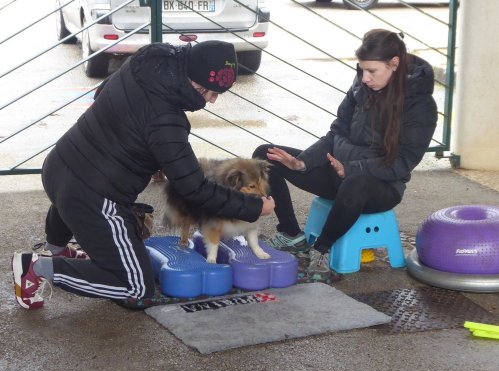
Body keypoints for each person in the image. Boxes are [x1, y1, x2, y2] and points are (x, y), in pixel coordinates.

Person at [12, 40, 275, 310]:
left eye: (218, 93)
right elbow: (193, 188)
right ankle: (36, 268)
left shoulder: (149, 60)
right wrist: (254, 206)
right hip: (93, 196)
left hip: (59, 164)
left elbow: (102, 93)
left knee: (71, 194)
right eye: (205, 90)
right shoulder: (166, 119)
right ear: (189, 77)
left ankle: (55, 250)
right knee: (136, 287)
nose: (211, 99)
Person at [253, 29, 437, 279]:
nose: (364, 78)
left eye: (372, 71)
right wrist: (301, 162)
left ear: (394, 64)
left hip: (379, 186)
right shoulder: (360, 89)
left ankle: (321, 252)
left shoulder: (420, 106)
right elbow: (335, 134)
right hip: (337, 171)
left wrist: (350, 169)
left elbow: (402, 164)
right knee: (266, 155)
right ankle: (291, 234)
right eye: (361, 70)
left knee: (355, 183)